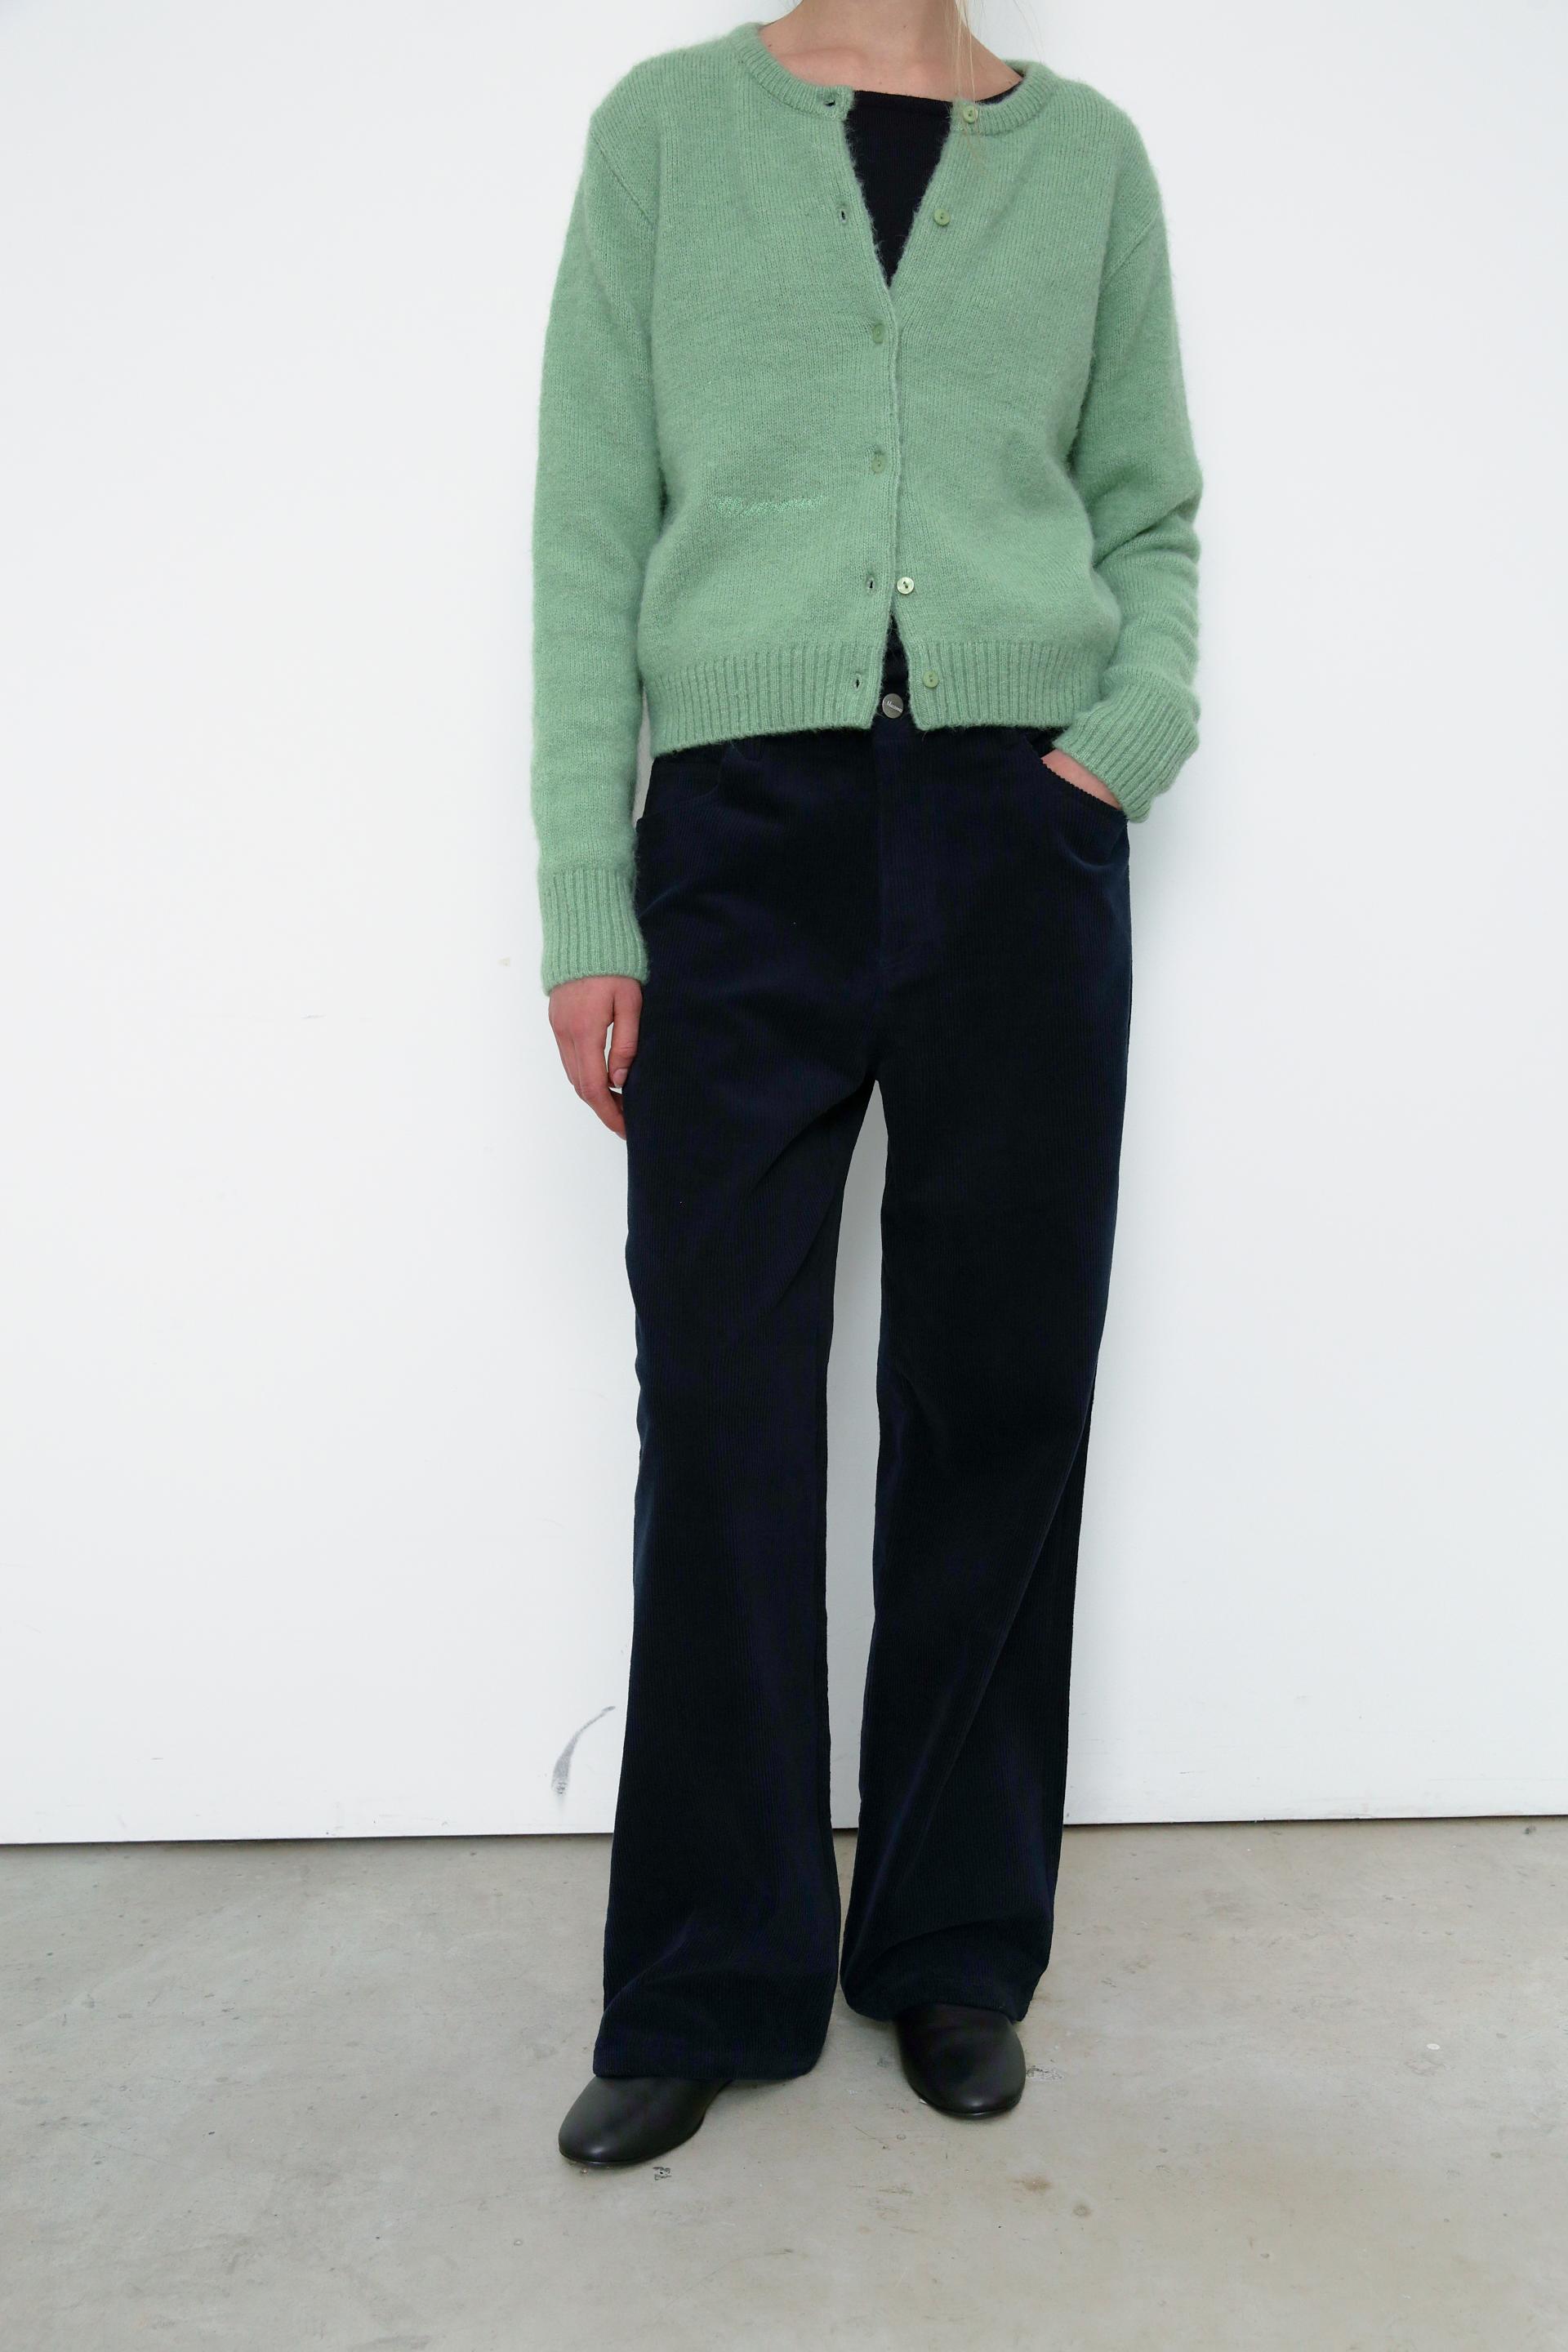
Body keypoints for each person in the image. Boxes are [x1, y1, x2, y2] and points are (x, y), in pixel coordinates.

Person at [530, 0, 1202, 2167]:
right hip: (740, 842)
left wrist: (1123, 744)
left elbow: (1153, 516)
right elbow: (586, 528)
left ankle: (951, 1946)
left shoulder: (1085, 160)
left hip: (1023, 827)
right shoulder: (664, 132)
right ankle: (707, 1970)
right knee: (724, 1397)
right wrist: (588, 896)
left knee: (997, 1391)